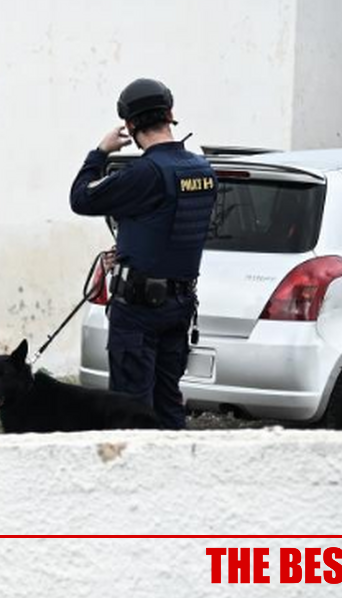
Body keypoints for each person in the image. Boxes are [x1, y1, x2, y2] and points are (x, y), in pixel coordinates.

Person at [68, 78, 217, 430]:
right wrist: (131, 247)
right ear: (170, 114)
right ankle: (175, 464)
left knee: (131, 410)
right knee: (168, 404)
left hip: (138, 313)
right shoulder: (202, 169)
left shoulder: (145, 173)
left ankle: (138, 467)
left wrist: (100, 152)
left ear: (130, 124)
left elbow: (81, 198)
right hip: (180, 306)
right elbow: (168, 226)